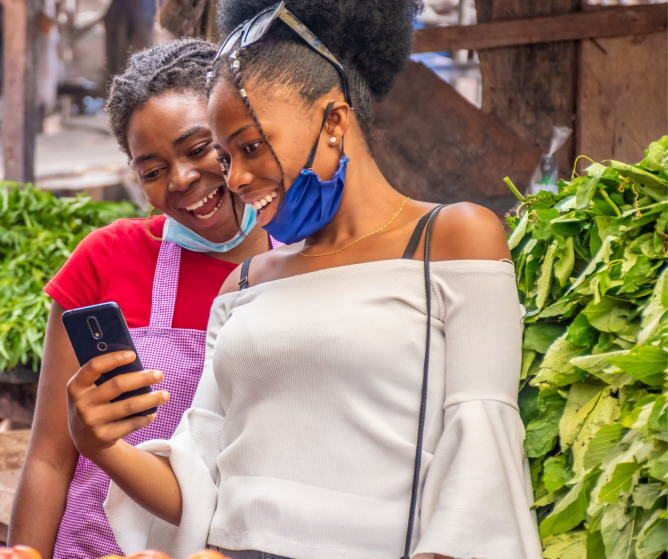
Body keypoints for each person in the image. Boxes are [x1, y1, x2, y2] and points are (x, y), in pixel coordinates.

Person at [66, 2, 543, 559]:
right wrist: (96, 444)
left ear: (334, 122)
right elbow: (200, 484)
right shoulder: (243, 285)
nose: (236, 178)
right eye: (225, 156)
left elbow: (479, 459)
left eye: (250, 146)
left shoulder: (452, 238)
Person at [8, 39, 275, 559]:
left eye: (199, 148)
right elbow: (48, 458)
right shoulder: (104, 258)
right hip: (92, 547)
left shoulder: (305, 267)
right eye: (152, 170)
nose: (181, 179)